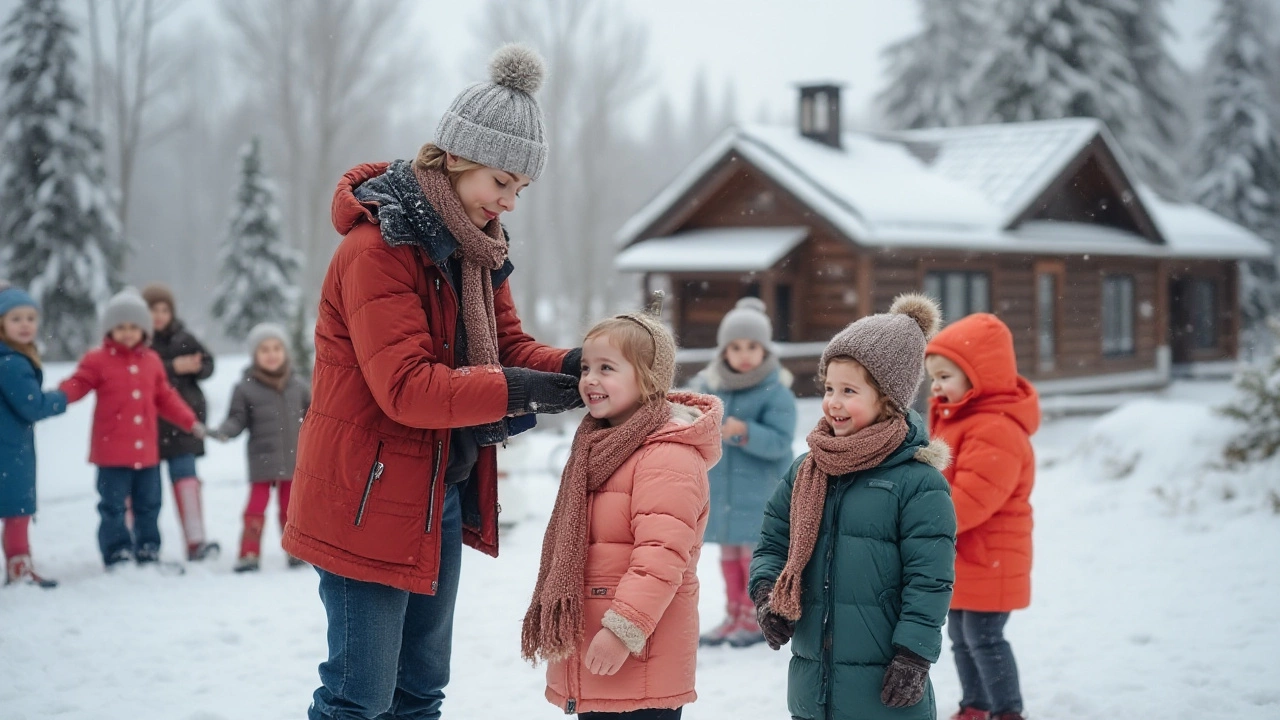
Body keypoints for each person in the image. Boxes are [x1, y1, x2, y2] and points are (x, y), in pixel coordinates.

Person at [282, 44, 585, 720]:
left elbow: (508, 346)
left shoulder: (475, 251)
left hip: (436, 491)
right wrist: (520, 388)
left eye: (520, 189)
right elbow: (410, 388)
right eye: (501, 182)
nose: (509, 202)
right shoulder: (378, 249)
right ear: (454, 158)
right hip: (367, 497)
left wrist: (574, 366)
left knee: (420, 691)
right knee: (357, 696)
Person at [750, 294, 957, 720]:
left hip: (884, 686)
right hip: (813, 687)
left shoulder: (918, 483)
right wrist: (767, 593)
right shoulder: (808, 469)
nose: (833, 402)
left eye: (849, 391)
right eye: (829, 389)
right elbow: (774, 539)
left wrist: (914, 655)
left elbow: (930, 580)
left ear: (888, 400)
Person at [523, 310, 721, 719]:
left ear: (648, 377)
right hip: (597, 645)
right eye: (586, 368)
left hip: (639, 649)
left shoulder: (667, 456)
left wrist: (621, 630)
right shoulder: (596, 448)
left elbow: (661, 557)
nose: (590, 379)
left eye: (607, 368)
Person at [925, 313, 1040, 720]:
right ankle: (976, 704)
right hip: (966, 554)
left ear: (978, 377)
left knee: (985, 637)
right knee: (960, 636)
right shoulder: (959, 421)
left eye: (944, 376)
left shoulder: (995, 428)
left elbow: (973, 498)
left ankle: (1007, 710)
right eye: (933, 377)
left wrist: (926, 519)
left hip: (991, 554)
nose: (935, 387)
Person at [60, 287, 205, 569]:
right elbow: (78, 384)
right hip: (111, 455)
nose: (128, 333)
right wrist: (56, 399)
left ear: (144, 330)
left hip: (147, 455)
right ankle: (117, 552)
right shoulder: (97, 360)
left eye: (134, 327)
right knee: (113, 507)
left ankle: (148, 550)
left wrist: (191, 421)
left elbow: (166, 398)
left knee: (149, 505)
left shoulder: (151, 361)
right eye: (121, 327)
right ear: (109, 330)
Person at [690, 297, 796, 647]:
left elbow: (781, 441)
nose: (744, 353)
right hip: (723, 493)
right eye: (736, 347)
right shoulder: (710, 386)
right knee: (729, 554)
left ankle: (756, 615)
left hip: (760, 494)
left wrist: (745, 432)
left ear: (765, 349)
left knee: (755, 558)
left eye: (752, 346)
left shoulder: (775, 390)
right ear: (724, 351)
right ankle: (734, 611)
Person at [209, 323, 311, 573]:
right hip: (262, 461)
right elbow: (236, 419)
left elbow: (314, 416)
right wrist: (225, 431)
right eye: (264, 349)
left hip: (293, 460)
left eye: (277, 348)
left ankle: (295, 552)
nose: (271, 354)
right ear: (255, 355)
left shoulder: (298, 386)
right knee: (255, 508)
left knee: (291, 509)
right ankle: (249, 554)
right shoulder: (245, 388)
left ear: (285, 352)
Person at [142, 283, 219, 561]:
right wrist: (175, 367)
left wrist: (198, 366)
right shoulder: (139, 343)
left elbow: (209, 363)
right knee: (147, 492)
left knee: (187, 482)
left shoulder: (184, 337)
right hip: (150, 428)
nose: (159, 315)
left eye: (164, 310)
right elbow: (144, 374)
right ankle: (144, 545)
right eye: (153, 310)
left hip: (185, 427)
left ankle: (195, 541)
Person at [0, 281, 68, 587]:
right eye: (16, 319)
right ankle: (20, 570)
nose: (25, 325)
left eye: (30, 318)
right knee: (17, 513)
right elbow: (33, 406)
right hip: (9, 452)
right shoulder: (11, 363)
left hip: (10, 447)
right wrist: (63, 397)